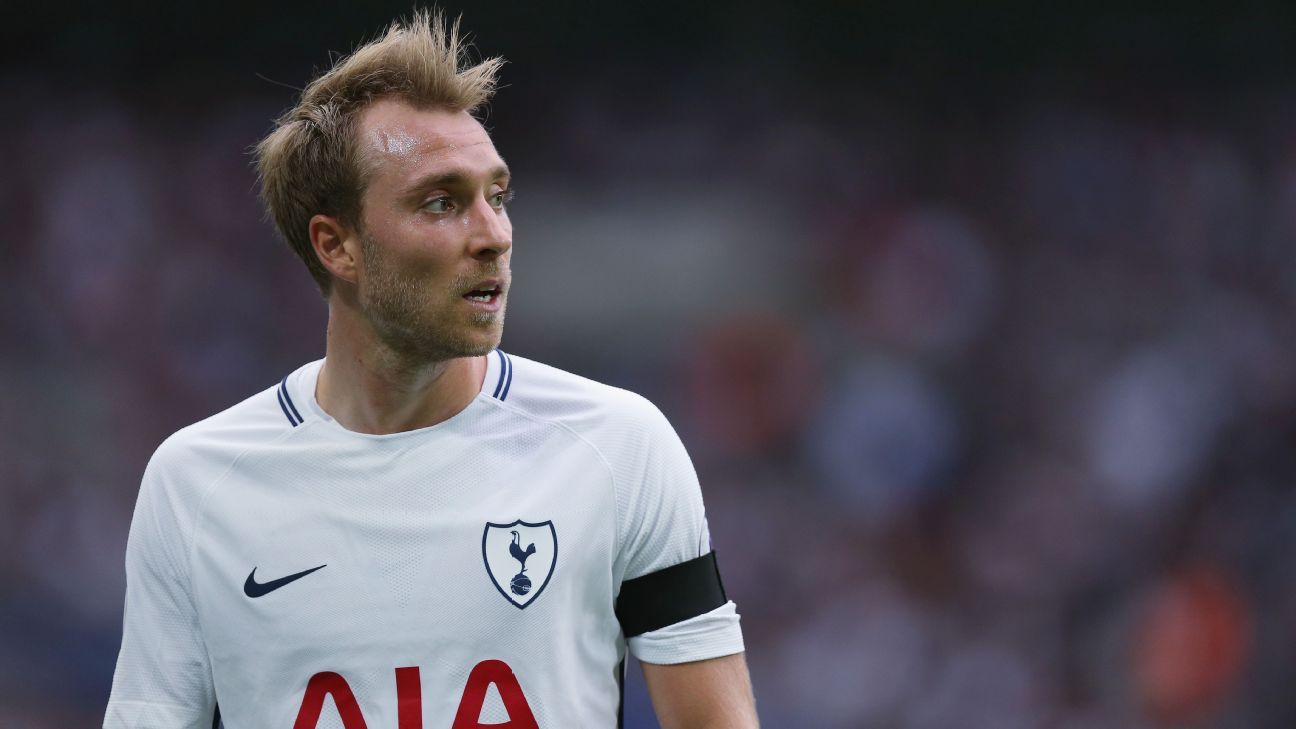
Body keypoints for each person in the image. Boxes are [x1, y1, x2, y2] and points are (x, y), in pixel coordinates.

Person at [103, 11, 757, 729]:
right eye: (441, 202)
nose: (494, 235)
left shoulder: (619, 447)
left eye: (497, 197)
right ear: (337, 245)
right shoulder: (196, 484)